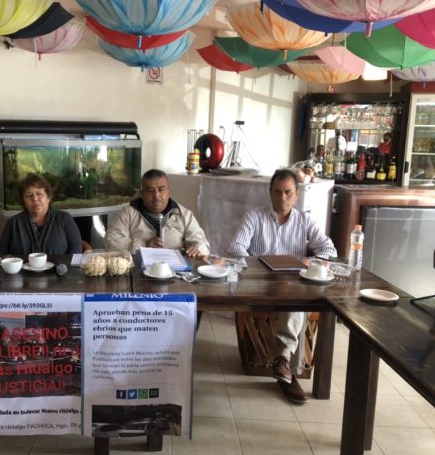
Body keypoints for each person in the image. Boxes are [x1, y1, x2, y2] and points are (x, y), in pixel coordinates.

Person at [230, 169, 336, 404]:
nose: (282, 197)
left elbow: (328, 249)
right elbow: (236, 247)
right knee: (297, 298)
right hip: (260, 284)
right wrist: (260, 265)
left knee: (297, 297)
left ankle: (283, 360)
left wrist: (311, 262)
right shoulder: (254, 217)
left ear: (297, 195)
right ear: (270, 193)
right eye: (277, 192)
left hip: (292, 283)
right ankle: (287, 367)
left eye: (288, 192)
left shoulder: (305, 220)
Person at [104, 169, 210, 256]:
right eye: (150, 190)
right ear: (142, 194)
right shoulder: (129, 212)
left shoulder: (184, 214)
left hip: (176, 272)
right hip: (138, 270)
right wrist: (143, 245)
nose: (156, 196)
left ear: (169, 191)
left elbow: (203, 244)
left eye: (161, 189)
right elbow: (110, 241)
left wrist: (198, 248)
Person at [0, 174, 83, 256]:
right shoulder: (13, 223)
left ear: (48, 197)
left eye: (39, 194)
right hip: (22, 267)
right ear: (23, 201)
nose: (35, 199)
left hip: (59, 266)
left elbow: (76, 250)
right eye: (29, 195)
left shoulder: (64, 218)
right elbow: (1, 254)